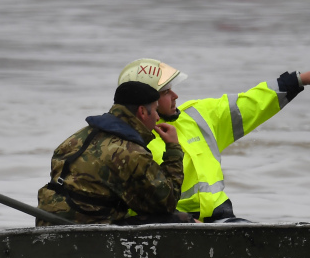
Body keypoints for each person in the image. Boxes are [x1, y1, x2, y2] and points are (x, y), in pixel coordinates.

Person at [117, 58, 310, 222]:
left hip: (219, 221)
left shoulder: (199, 115)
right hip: (170, 226)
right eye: (166, 92)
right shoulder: (126, 142)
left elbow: (251, 104)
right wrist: (179, 221)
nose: (175, 96)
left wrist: (299, 80)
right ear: (143, 101)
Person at [37, 80, 194, 226]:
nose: (158, 117)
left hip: (47, 221)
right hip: (89, 229)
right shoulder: (131, 152)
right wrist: (173, 148)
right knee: (182, 220)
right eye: (155, 109)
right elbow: (167, 203)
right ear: (142, 112)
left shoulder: (76, 138)